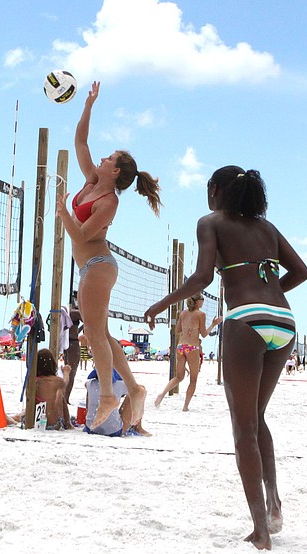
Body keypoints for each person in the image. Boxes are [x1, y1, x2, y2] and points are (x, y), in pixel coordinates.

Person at [144, 165, 307, 550]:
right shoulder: (266, 228)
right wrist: (269, 296)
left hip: (245, 322)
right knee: (257, 420)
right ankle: (275, 505)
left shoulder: (210, 222)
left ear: (215, 190)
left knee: (242, 429)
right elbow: (301, 271)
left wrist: (161, 304)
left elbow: (201, 278)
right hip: (283, 322)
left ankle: (262, 531)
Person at [55, 81, 159, 429]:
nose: (102, 157)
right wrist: (89, 105)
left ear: (115, 171)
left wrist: (62, 212)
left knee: (94, 335)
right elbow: (80, 141)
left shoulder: (109, 201)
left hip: (98, 265)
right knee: (102, 333)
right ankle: (134, 386)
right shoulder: (89, 181)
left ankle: (112, 396)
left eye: (109, 157)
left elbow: (82, 235)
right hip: (90, 267)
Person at [153, 293, 222, 411]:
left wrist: (188, 329)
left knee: (179, 377)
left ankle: (161, 395)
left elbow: (178, 330)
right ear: (197, 301)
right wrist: (214, 324)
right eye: (202, 300)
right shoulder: (201, 314)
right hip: (192, 347)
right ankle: (185, 406)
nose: (203, 302)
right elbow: (204, 334)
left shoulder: (183, 313)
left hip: (181, 346)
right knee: (193, 379)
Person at [62, 296, 82, 405]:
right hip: (72, 343)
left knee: (67, 370)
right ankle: (65, 398)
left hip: (66, 341)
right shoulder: (75, 312)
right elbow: (89, 321)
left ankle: (65, 397)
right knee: (71, 372)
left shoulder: (64, 311)